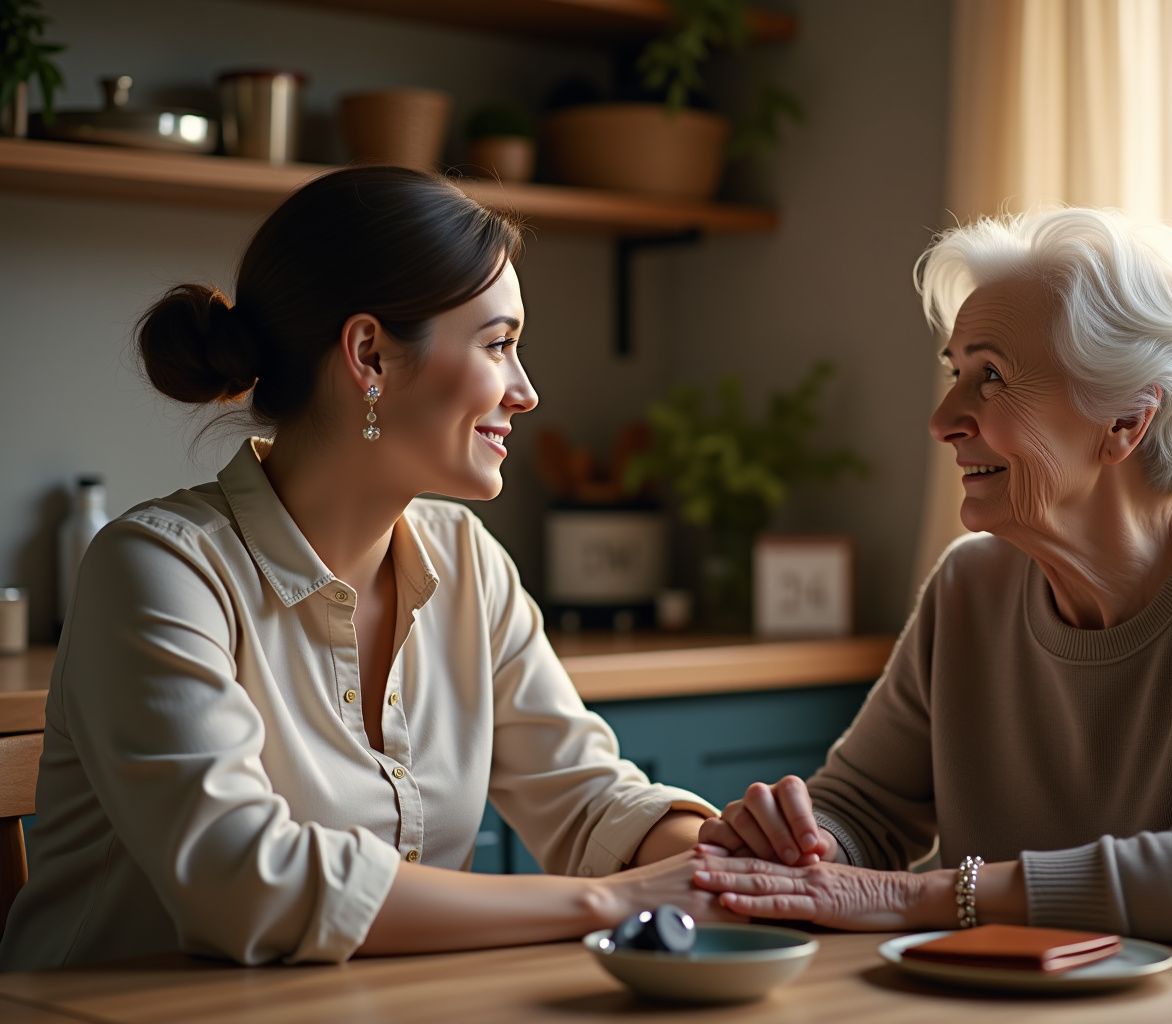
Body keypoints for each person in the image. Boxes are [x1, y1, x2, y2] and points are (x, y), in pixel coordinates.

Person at [0, 166, 729, 970]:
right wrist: (614, 900)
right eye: (498, 345)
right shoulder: (160, 571)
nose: (525, 391)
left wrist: (722, 859)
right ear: (370, 355)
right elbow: (245, 880)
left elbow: (591, 801)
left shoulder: (468, 564)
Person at [692, 207, 1172, 950]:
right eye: (956, 374)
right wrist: (798, 848)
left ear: (1126, 422)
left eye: (992, 377)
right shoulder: (969, 589)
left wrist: (930, 896)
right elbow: (865, 808)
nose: (944, 418)